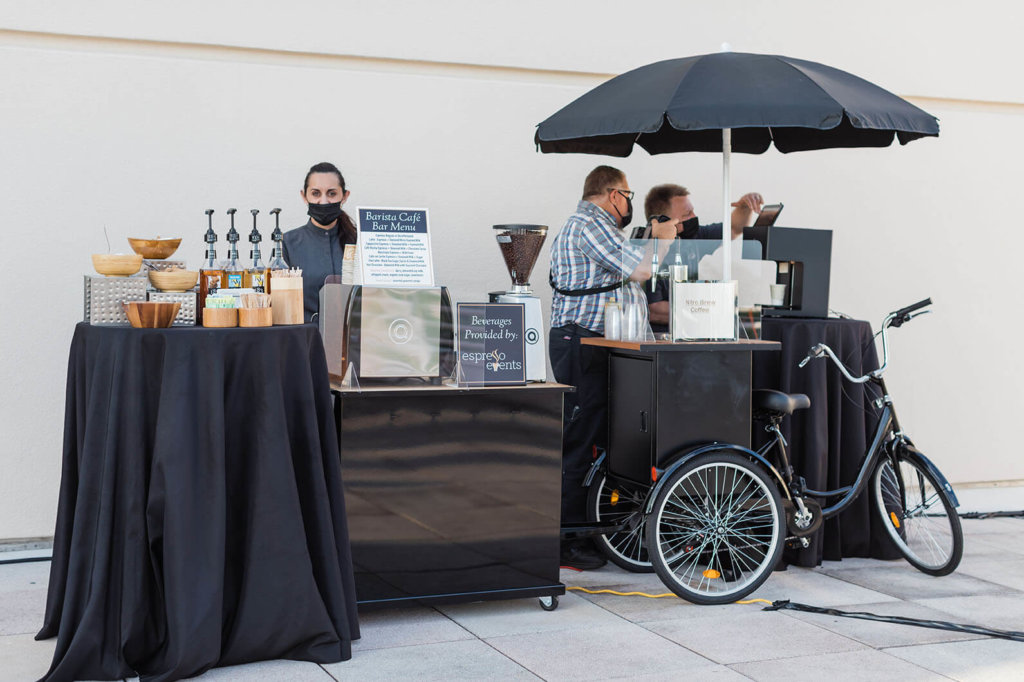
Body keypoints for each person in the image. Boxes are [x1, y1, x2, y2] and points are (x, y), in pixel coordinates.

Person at [548, 165, 675, 570]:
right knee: (581, 439)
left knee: (593, 435)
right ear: (613, 193)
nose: (629, 204)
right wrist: (664, 242)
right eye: (628, 195)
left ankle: (587, 533)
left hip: (593, 342)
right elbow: (640, 270)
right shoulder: (591, 223)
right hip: (584, 342)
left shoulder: (595, 226)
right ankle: (567, 542)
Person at [642, 184, 764, 334]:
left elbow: (733, 228)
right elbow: (653, 309)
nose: (694, 217)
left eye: (693, 211)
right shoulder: (648, 251)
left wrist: (745, 207)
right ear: (663, 221)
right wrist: (706, 308)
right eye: (687, 214)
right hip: (660, 338)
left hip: (692, 334)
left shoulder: (695, 236)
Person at [282, 162, 358, 322]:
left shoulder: (360, 242)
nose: (323, 201)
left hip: (354, 340)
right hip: (305, 340)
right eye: (316, 193)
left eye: (332, 194)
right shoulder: (287, 243)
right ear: (304, 196)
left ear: (345, 196)